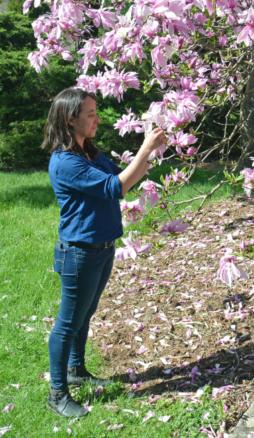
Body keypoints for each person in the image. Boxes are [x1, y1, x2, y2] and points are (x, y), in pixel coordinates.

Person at [42, 88, 166, 417]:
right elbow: (115, 188)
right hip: (79, 252)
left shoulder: (90, 153)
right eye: (91, 114)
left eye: (96, 112)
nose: (98, 119)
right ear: (71, 120)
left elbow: (121, 180)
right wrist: (145, 147)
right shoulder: (65, 161)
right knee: (67, 323)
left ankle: (76, 370)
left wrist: (150, 155)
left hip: (102, 248)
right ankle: (57, 393)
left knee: (84, 315)